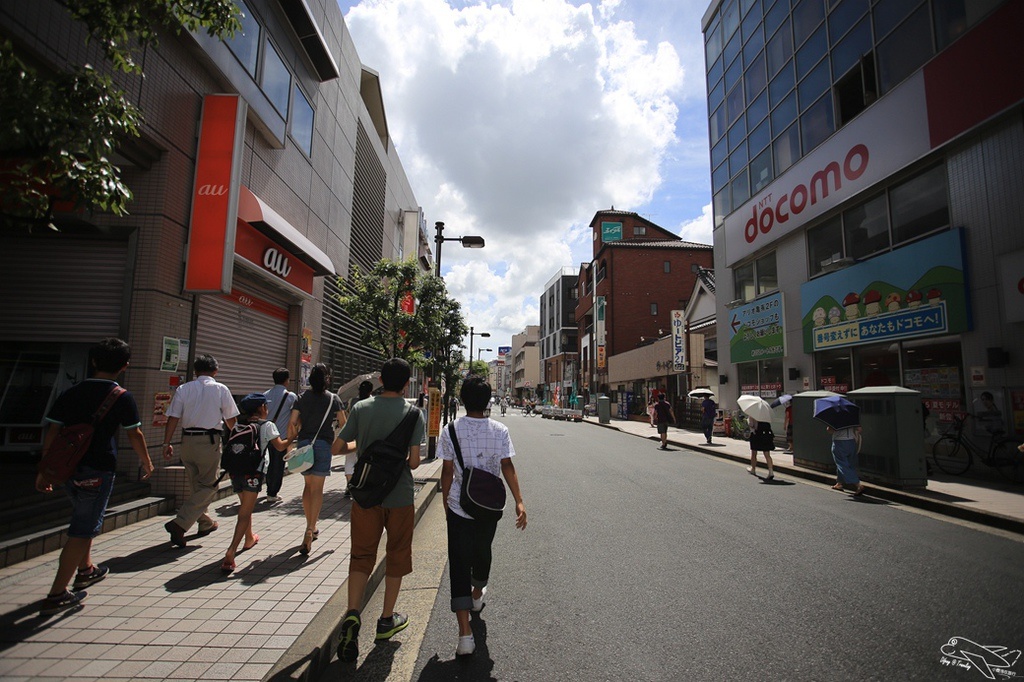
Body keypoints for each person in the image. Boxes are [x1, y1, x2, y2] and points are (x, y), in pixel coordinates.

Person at [36, 338, 154, 615]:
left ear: (93, 362)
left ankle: (86, 569)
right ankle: (56, 594)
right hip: (98, 468)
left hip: (67, 468)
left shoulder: (70, 391)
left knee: (84, 517)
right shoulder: (121, 396)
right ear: (125, 366)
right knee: (82, 529)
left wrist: (45, 468)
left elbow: (52, 431)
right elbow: (134, 433)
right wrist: (146, 461)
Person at [331, 358, 425, 663]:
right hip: (399, 497)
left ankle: (353, 614)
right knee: (397, 554)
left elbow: (339, 447)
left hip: (366, 496)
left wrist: (361, 448)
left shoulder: (361, 408)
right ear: (406, 382)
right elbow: (413, 463)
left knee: (361, 555)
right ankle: (386, 620)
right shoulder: (414, 414)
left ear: (382, 379)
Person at [438, 376, 526, 657]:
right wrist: (519, 501)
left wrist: (445, 503)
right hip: (489, 506)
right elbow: (507, 465)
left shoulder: (450, 430)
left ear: (462, 400)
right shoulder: (500, 430)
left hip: (459, 506)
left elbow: (447, 472)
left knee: (459, 564)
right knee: (483, 551)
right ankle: (478, 593)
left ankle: (465, 635)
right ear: (488, 401)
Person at [162, 353, 238, 547]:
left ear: (195, 371)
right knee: (210, 486)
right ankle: (180, 523)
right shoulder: (220, 389)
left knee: (196, 485)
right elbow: (231, 420)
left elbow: (173, 417)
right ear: (215, 370)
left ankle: (205, 523)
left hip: (187, 441)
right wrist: (238, 438)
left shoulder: (183, 388)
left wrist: (166, 442)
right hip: (209, 442)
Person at [221, 393, 292, 574]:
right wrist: (292, 437)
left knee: (246, 506)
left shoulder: (238, 425)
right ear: (261, 408)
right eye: (265, 406)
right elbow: (280, 446)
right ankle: (231, 551)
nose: (267, 409)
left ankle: (249, 538)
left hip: (236, 471)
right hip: (253, 473)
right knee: (245, 512)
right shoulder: (267, 425)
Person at [288, 363, 344, 554]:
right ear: (327, 379)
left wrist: (295, 436)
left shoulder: (302, 398)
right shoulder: (333, 399)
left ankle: (309, 526)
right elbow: (343, 422)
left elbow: (293, 422)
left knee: (307, 486)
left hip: (304, 444)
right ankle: (311, 529)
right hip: (323, 444)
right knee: (318, 489)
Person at [264, 368, 296, 503]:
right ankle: (272, 493)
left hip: (265, 436)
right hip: (281, 437)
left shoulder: (265, 395)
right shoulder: (290, 397)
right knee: (277, 465)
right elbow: (295, 418)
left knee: (267, 463)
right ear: (287, 380)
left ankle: (267, 487)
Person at [341, 380, 374, 497]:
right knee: (365, 460)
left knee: (349, 460)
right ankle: (362, 484)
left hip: (352, 435)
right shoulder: (373, 402)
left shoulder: (352, 401)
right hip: (367, 436)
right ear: (371, 390)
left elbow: (347, 415)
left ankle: (350, 485)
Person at [829, 424, 864, 496]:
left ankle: (858, 485)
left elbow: (830, 430)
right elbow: (859, 429)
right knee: (849, 464)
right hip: (851, 442)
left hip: (839, 441)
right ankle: (839, 483)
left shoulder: (834, 417)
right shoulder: (851, 416)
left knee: (842, 464)